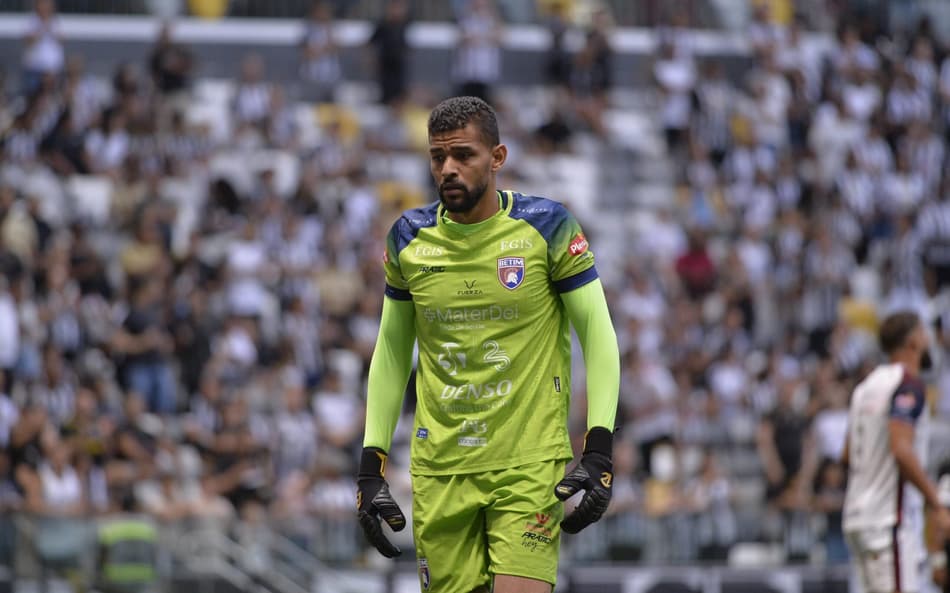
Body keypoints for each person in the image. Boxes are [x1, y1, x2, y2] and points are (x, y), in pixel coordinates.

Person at [356, 96, 620, 593]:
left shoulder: (549, 227)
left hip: (528, 463)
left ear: (497, 158)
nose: (448, 169)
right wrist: (371, 467)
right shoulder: (408, 239)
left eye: (463, 155)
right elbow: (392, 353)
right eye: (438, 158)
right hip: (441, 471)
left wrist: (600, 447)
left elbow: (598, 335)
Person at [842, 311, 950, 593]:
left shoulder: (865, 388)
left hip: (857, 518)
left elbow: (847, 453)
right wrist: (936, 503)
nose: (928, 341)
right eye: (923, 334)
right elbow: (901, 450)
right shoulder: (908, 385)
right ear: (913, 340)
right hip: (889, 520)